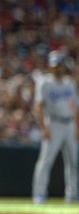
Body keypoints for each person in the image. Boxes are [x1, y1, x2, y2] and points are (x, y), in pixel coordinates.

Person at [32, 50, 79, 204]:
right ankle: (39, 194)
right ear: (51, 66)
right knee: (46, 160)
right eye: (55, 65)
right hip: (54, 122)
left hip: (70, 123)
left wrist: (77, 127)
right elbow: (38, 107)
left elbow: (76, 108)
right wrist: (44, 127)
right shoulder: (44, 82)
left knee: (74, 161)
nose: (57, 68)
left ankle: (72, 195)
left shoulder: (70, 83)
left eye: (59, 64)